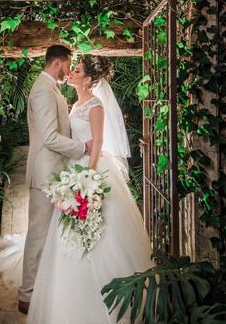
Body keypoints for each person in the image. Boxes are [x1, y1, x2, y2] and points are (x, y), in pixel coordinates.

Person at [25, 53, 153, 324]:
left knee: (97, 230)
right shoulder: (74, 102)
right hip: (72, 170)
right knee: (65, 233)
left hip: (88, 171)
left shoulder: (96, 105)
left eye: (78, 70)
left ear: (88, 79)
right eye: (72, 67)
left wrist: (90, 179)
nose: (71, 72)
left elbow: (98, 143)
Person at [17, 45, 93, 314]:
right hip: (44, 174)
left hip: (55, 173)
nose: (69, 70)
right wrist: (82, 148)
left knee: (48, 234)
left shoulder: (51, 89)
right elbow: (49, 137)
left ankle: (41, 288)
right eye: (68, 64)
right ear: (58, 62)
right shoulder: (42, 90)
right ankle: (27, 295)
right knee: (38, 235)